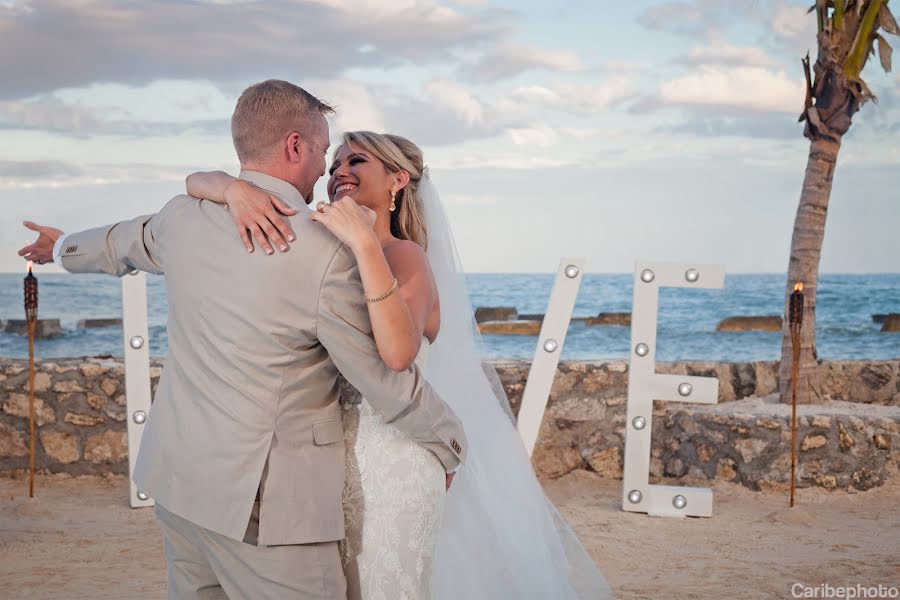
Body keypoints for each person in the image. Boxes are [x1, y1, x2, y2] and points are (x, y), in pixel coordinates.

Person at [17, 80, 466, 600]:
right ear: (296, 146)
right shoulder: (327, 250)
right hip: (266, 513)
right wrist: (449, 441)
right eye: (324, 151)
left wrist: (63, 247)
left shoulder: (182, 217)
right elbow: (383, 375)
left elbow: (123, 243)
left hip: (179, 486)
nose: (326, 169)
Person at [183, 131, 614, 599]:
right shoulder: (323, 255)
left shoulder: (406, 257)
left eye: (356, 162)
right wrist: (232, 188)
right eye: (333, 166)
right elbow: (192, 182)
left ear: (398, 180)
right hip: (323, 465)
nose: (338, 173)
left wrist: (366, 244)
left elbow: (397, 353)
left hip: (393, 459)